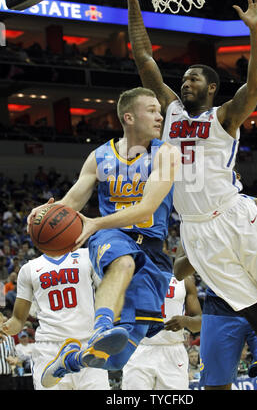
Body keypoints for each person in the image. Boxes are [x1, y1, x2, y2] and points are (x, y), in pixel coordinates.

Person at [124, 0, 257, 389]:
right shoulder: (170, 112)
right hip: (198, 231)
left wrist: (256, 34)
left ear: (212, 88)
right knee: (254, 311)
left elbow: (255, 86)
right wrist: (132, 2)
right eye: (183, 79)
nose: (184, 84)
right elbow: (144, 56)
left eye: (193, 80)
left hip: (234, 216)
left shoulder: (225, 116)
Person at [26, 87, 180, 388]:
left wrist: (95, 222)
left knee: (117, 357)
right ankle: (101, 326)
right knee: (122, 263)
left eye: (159, 110)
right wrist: (44, 212)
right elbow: (71, 203)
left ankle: (70, 358)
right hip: (112, 237)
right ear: (129, 116)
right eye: (152, 110)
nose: (160, 115)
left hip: (152, 250)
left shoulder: (165, 153)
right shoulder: (99, 158)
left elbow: (147, 207)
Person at [174, 196, 257, 390]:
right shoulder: (193, 218)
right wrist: (206, 242)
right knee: (215, 387)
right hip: (220, 306)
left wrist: (223, 235)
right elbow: (178, 271)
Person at [0, 247, 110, 390]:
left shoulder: (88, 255)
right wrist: (4, 328)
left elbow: (108, 292)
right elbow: (18, 320)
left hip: (88, 345)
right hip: (49, 350)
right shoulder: (29, 269)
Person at [122, 274, 201, 390]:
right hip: (139, 347)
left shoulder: (184, 281)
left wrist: (186, 321)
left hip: (173, 349)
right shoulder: (132, 274)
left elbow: (200, 323)